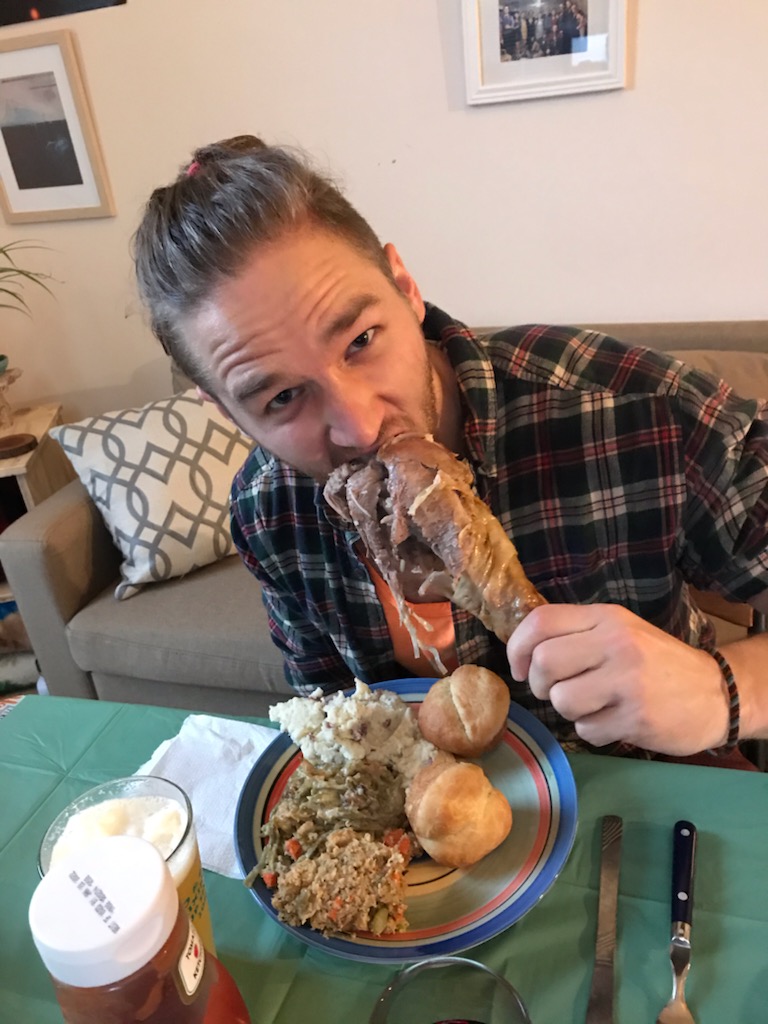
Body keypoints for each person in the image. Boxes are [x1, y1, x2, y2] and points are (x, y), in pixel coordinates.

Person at [133, 135, 768, 763]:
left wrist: (724, 692)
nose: (359, 426)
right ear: (224, 410)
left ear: (405, 286)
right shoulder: (268, 511)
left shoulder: (637, 409)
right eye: (281, 398)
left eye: (360, 340)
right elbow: (330, 717)